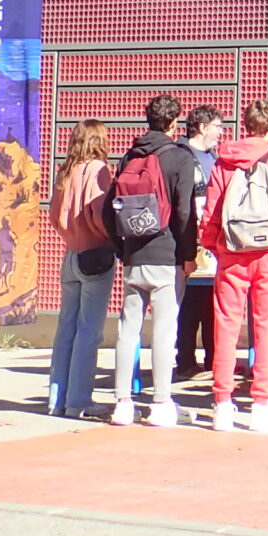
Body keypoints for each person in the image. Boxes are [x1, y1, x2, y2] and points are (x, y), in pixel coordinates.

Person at [200, 100, 268, 433]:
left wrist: (214, 246)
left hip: (231, 253)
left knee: (226, 327)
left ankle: (222, 403)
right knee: (266, 328)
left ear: (245, 125)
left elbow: (210, 214)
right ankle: (261, 403)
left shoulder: (224, 162)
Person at [106, 94, 200, 428]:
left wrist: (122, 248)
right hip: (167, 255)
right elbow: (185, 212)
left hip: (134, 255)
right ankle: (161, 402)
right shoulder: (179, 157)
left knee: (127, 330)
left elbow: (109, 208)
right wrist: (189, 255)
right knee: (164, 330)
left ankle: (122, 404)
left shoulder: (130, 155)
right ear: (175, 124)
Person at [46, 118, 114, 419]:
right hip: (95, 254)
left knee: (66, 330)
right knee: (89, 331)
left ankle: (56, 398)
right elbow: (100, 213)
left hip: (70, 254)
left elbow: (54, 215)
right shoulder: (98, 170)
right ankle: (79, 400)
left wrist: (70, 234)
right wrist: (112, 236)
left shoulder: (65, 171)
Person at [172, 104, 223, 381]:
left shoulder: (213, 157)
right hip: (189, 242)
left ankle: (214, 359)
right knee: (189, 305)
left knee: (212, 304)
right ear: (202, 127)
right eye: (217, 127)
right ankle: (186, 360)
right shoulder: (181, 156)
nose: (220, 133)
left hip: (212, 244)